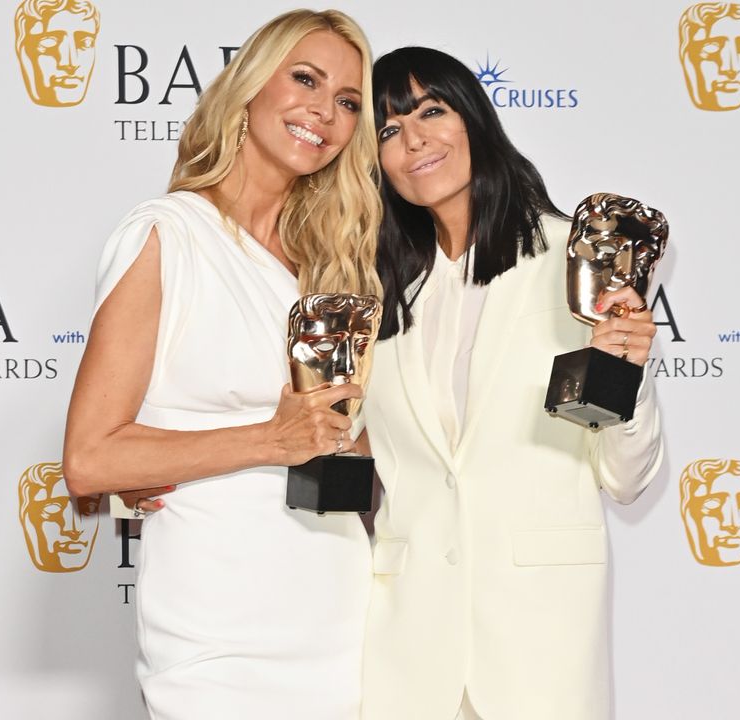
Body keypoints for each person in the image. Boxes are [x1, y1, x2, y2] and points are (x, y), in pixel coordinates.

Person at [61, 10, 381, 719]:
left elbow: (345, 450)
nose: (325, 111)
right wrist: (268, 440)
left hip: (337, 607)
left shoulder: (323, 270)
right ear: (249, 86)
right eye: (306, 79)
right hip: (217, 624)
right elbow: (88, 459)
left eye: (349, 102)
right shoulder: (166, 235)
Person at [358, 47, 664, 720]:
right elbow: (358, 468)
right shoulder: (374, 294)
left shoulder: (577, 261)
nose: (413, 139)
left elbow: (626, 476)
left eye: (431, 111)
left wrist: (627, 375)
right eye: (387, 129)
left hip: (541, 647)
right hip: (405, 655)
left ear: (474, 120)